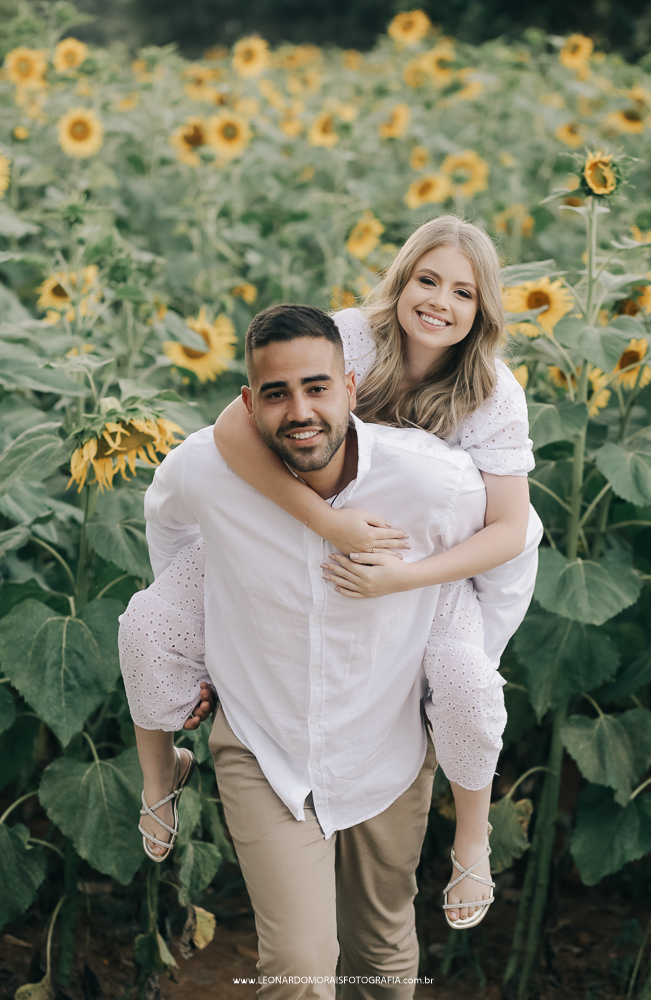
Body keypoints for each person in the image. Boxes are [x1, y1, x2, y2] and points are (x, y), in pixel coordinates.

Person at [119, 302, 533, 997]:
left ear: (349, 387)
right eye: (276, 395)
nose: (299, 411)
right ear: (248, 403)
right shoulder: (209, 468)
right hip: (265, 747)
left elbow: (508, 547)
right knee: (298, 970)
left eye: (316, 388)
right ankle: (161, 777)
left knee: (382, 955)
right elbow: (168, 523)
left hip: (385, 744)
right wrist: (203, 634)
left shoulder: (431, 482)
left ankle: (473, 839)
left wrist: (457, 642)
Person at [211, 215, 541, 924]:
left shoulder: (492, 390)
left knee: (463, 681)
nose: (440, 302)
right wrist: (328, 523)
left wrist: (403, 579)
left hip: (436, 567)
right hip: (323, 527)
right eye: (427, 280)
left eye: (463, 292)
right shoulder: (351, 336)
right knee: (204, 602)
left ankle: (472, 840)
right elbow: (232, 429)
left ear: (481, 309)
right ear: (401, 280)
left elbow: (508, 529)